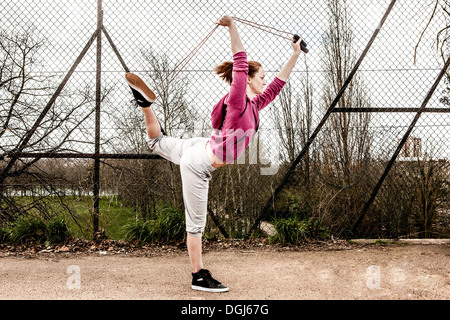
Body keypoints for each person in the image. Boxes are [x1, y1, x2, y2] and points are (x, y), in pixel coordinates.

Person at [125, 15, 302, 293]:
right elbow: (240, 62)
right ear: (247, 80)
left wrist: (294, 54)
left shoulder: (255, 105)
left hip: (199, 146)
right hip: (199, 163)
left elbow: (278, 85)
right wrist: (232, 26)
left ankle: (146, 105)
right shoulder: (237, 100)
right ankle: (198, 276)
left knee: (156, 142)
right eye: (262, 77)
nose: (265, 82)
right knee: (195, 225)